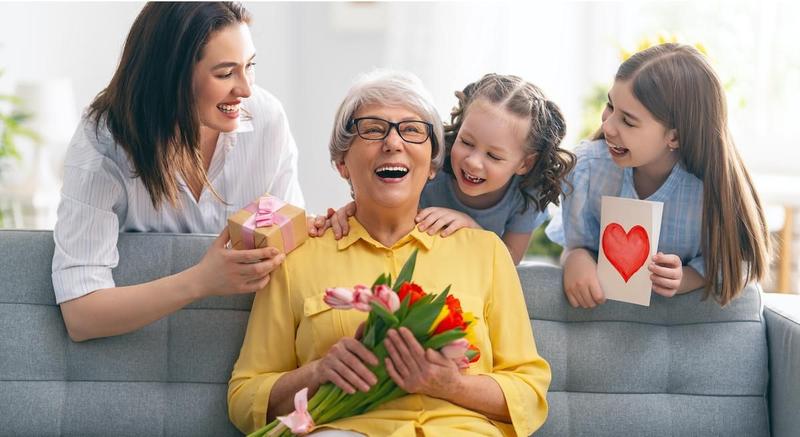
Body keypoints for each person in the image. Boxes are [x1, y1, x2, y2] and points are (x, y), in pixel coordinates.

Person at [228, 71, 551, 436]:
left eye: (411, 130)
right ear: (341, 163)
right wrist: (317, 372)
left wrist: (448, 384)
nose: (393, 142)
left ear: (432, 164)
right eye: (372, 129)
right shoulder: (297, 257)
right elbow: (244, 396)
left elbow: (529, 390)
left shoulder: (487, 251)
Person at [52, 2, 305, 341]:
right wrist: (200, 280)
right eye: (225, 73)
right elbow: (80, 315)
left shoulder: (267, 119)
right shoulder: (103, 144)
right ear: (171, 77)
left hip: (245, 343)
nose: (245, 88)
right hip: (141, 348)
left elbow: (291, 245)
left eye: (250, 66)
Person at [546, 43, 771, 308]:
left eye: (628, 121)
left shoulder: (710, 192)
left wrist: (686, 277)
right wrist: (575, 258)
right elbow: (575, 243)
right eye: (610, 105)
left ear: (673, 137)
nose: (607, 125)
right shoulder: (587, 169)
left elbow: (737, 260)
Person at [318, 74, 575, 265]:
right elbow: (383, 201)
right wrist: (351, 211)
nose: (473, 162)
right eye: (466, 142)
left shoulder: (527, 195)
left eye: (494, 156)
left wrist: (472, 230)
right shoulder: (432, 166)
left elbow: (509, 262)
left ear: (525, 163)